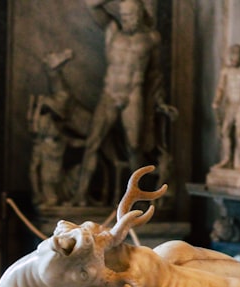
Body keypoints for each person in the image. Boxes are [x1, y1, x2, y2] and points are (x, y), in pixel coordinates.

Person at [72, 0, 175, 206]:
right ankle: (80, 195)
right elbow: (92, 5)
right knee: (93, 142)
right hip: (110, 92)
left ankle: (136, 197)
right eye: (125, 16)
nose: (128, 20)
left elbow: (155, 74)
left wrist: (159, 100)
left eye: (132, 16)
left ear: (141, 14)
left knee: (135, 146)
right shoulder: (112, 31)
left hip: (133, 94)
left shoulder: (151, 39)